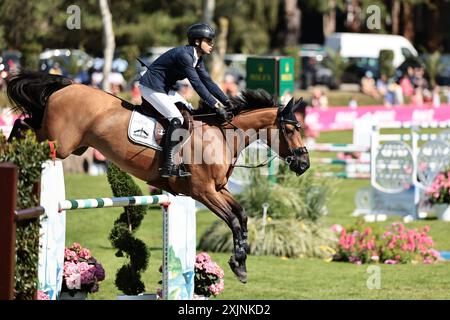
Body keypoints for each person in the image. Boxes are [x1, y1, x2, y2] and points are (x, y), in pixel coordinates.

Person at [139, 23, 232, 178]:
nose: (212, 44)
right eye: (208, 40)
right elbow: (197, 85)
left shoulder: (197, 59)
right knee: (177, 118)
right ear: (197, 41)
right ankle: (168, 165)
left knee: (188, 109)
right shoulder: (185, 56)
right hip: (151, 87)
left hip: (164, 89)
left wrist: (227, 102)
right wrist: (216, 105)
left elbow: (208, 83)